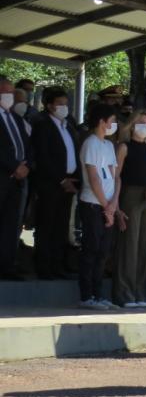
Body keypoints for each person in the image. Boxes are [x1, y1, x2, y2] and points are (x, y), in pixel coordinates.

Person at [31, 87, 79, 280]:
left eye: (65, 104)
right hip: (50, 184)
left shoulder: (67, 125)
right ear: (49, 105)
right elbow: (43, 156)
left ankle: (58, 265)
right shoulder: (42, 125)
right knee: (47, 225)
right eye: (59, 104)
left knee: (61, 226)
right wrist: (61, 179)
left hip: (69, 183)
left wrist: (72, 179)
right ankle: (44, 266)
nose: (64, 107)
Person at [77, 103, 120, 310]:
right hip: (93, 205)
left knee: (103, 252)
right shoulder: (91, 143)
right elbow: (94, 178)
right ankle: (86, 296)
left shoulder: (109, 145)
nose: (113, 125)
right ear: (102, 122)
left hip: (108, 206)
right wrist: (106, 206)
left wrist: (114, 205)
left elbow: (114, 176)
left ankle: (98, 293)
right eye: (111, 121)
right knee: (91, 250)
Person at [112, 110, 146, 308]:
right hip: (129, 194)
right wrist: (117, 205)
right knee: (129, 245)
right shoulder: (124, 147)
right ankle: (125, 294)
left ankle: (141, 293)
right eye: (140, 122)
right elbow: (117, 175)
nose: (144, 126)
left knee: (145, 245)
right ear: (131, 125)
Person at [0, 79, 32, 279]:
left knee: (12, 225)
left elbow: (28, 145)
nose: (9, 96)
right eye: (5, 92)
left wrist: (27, 165)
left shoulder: (16, 118)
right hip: (3, 176)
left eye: (11, 92)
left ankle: (7, 265)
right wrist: (14, 166)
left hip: (18, 181)